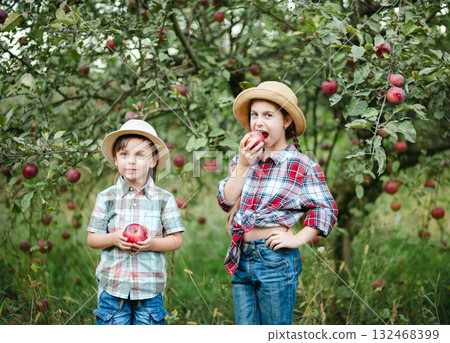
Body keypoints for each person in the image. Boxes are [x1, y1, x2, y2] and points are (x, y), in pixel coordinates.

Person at [217, 81, 338, 325]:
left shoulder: (300, 164)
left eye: (268, 115)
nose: (258, 122)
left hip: (275, 259)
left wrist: (297, 238)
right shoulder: (243, 159)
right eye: (254, 115)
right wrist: (242, 165)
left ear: (286, 121)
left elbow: (326, 208)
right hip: (241, 255)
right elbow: (225, 200)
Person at [87, 119, 185, 325]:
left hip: (149, 290)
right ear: (115, 159)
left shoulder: (164, 199)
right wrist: (113, 238)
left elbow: (176, 240)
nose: (131, 161)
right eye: (124, 154)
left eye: (140, 155)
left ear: (153, 161)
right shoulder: (106, 197)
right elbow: (92, 239)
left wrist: (153, 243)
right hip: (112, 288)